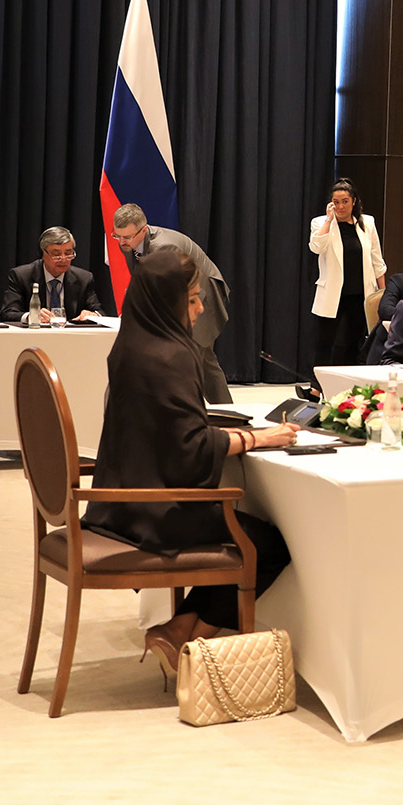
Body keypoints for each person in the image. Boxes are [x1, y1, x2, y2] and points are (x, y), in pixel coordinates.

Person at [79, 246, 299, 673]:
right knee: (267, 545)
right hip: (154, 513)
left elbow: (164, 430)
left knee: (245, 534)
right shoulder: (173, 355)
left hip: (117, 503)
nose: (200, 309)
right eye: (193, 299)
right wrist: (256, 438)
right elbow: (191, 450)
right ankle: (185, 636)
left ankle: (179, 632)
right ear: (168, 301)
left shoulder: (130, 345)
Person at [111, 204, 232, 402]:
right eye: (117, 236)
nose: (122, 242)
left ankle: (200, 412)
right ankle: (225, 410)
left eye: (127, 237)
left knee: (190, 359)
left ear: (143, 230)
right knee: (204, 363)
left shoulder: (163, 248)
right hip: (182, 295)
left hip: (200, 295)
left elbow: (172, 290)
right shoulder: (131, 242)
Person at [309, 178, 387, 372]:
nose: (340, 206)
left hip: (360, 293)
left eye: (345, 201)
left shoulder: (367, 223)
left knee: (353, 342)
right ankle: (316, 385)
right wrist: (329, 220)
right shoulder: (320, 222)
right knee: (324, 342)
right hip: (333, 293)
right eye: (336, 202)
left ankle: (348, 383)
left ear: (354, 201)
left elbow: (377, 259)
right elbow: (316, 247)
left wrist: (383, 292)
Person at [3, 227, 104, 323]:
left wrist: (93, 315)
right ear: (42, 254)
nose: (63, 259)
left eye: (68, 253)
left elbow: (99, 311)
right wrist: (31, 316)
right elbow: (8, 313)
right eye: (56, 255)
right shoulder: (22, 276)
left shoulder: (84, 278)